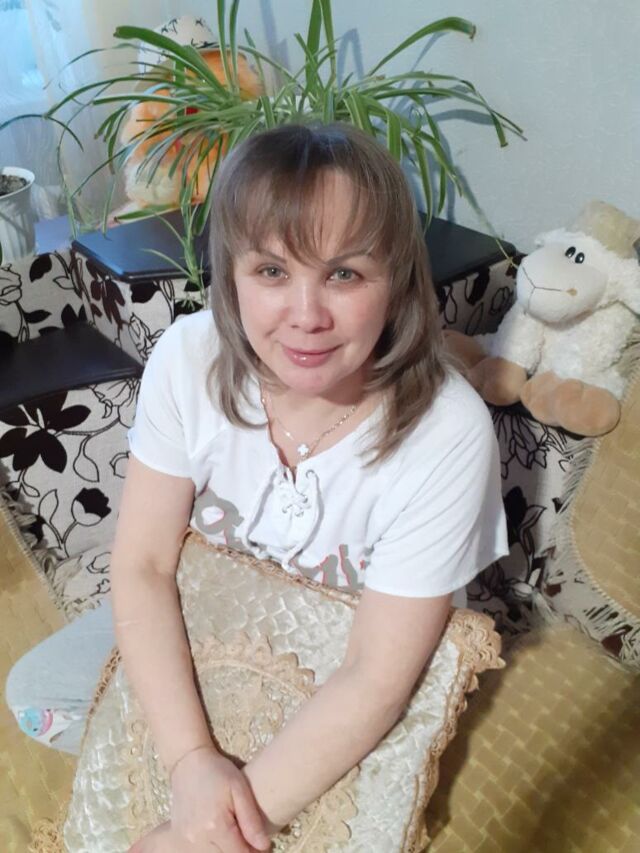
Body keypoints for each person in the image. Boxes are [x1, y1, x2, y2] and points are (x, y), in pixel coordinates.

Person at [5, 123, 509, 852]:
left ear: (397, 279)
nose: (306, 315)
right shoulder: (189, 357)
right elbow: (143, 564)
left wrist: (201, 832)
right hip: (214, 618)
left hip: (346, 666)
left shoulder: (446, 431)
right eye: (272, 271)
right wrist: (189, 762)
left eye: (344, 274)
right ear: (230, 273)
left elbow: (373, 676)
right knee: (38, 691)